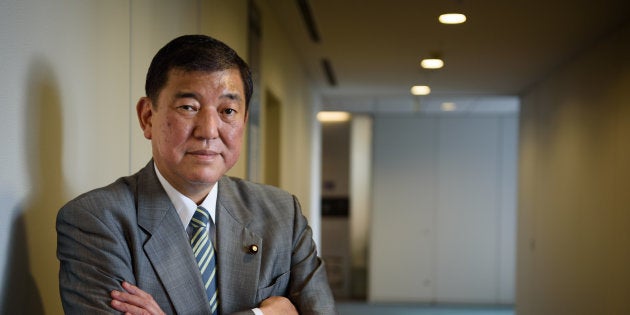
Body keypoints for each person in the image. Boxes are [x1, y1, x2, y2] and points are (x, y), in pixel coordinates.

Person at [56, 34, 336, 315]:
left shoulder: (282, 213)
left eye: (228, 110)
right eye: (188, 108)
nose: (209, 130)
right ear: (147, 117)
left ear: (244, 121)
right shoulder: (95, 221)